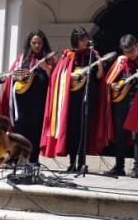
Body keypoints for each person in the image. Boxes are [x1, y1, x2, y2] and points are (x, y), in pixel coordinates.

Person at [97, 34, 138, 178]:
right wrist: (113, 85)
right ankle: (119, 167)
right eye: (127, 52)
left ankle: (137, 168)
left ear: (137, 45)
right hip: (121, 101)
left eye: (132, 51)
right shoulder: (122, 61)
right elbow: (111, 80)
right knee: (120, 135)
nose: (130, 55)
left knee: (137, 135)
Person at [40, 26, 106, 172]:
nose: (84, 42)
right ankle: (72, 162)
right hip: (72, 99)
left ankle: (82, 163)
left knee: (84, 129)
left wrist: (100, 67)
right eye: (82, 40)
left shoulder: (93, 55)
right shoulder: (68, 55)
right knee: (72, 130)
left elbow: (99, 77)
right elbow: (58, 76)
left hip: (88, 96)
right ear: (75, 40)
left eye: (86, 39)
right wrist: (70, 76)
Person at [2, 30, 55, 166]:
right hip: (22, 101)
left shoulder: (50, 59)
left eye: (39, 43)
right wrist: (17, 76)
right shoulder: (22, 59)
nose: (37, 46)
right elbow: (12, 76)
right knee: (20, 129)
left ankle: (33, 160)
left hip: (40, 101)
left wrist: (46, 68)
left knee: (36, 130)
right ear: (29, 44)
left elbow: (56, 79)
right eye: (34, 43)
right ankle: (15, 159)